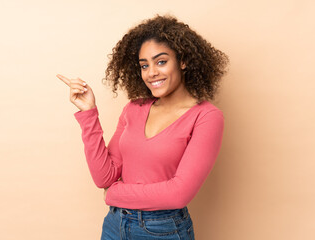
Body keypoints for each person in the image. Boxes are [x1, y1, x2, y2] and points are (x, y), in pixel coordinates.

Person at [57, 14, 229, 240]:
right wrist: (89, 112)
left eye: (161, 61)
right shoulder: (134, 108)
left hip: (163, 230)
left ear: (183, 61)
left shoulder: (205, 117)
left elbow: (178, 194)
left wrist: (115, 193)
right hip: (114, 225)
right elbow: (104, 177)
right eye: (144, 65)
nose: (151, 73)